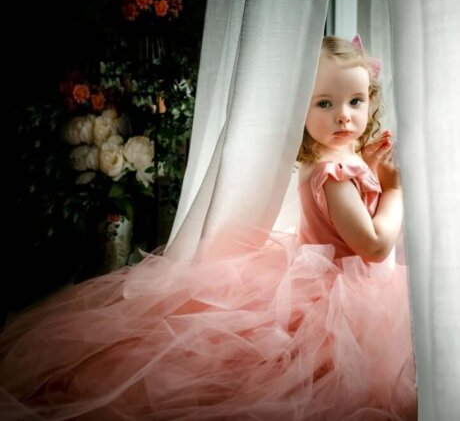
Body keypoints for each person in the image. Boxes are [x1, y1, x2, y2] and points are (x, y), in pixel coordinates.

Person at [0, 36, 417, 421]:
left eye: (356, 101)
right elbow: (375, 246)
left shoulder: (336, 156)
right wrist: (395, 188)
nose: (344, 115)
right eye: (325, 104)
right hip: (340, 300)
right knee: (327, 391)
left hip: (335, 287)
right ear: (299, 110)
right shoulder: (336, 173)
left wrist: (373, 167)